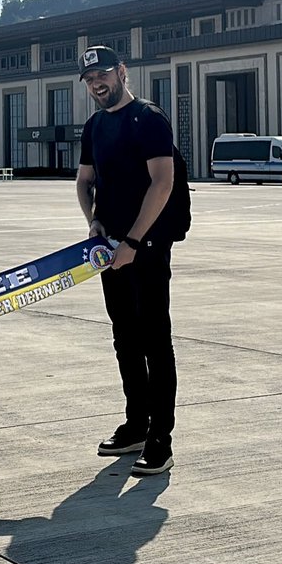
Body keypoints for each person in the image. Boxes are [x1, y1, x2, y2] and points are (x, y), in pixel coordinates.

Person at [75, 45, 177, 476]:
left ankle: (161, 439)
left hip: (146, 249)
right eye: (90, 79)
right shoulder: (94, 126)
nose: (97, 84)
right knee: (124, 339)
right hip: (110, 250)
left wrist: (133, 241)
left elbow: (163, 182)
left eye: (103, 74)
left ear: (121, 72)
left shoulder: (149, 119)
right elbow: (84, 182)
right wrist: (94, 220)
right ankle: (136, 424)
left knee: (155, 341)